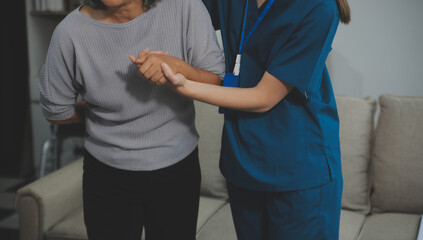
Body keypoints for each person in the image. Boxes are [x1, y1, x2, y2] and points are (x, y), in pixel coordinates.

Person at [132, 0, 351, 239]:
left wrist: (184, 83)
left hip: (299, 171)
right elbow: (179, 14)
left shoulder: (319, 7)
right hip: (243, 163)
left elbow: (264, 97)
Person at [38, 0, 225, 239]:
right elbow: (57, 111)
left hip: (177, 171)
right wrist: (101, 114)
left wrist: (179, 68)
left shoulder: (184, 6)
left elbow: (216, 82)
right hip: (105, 176)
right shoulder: (69, 32)